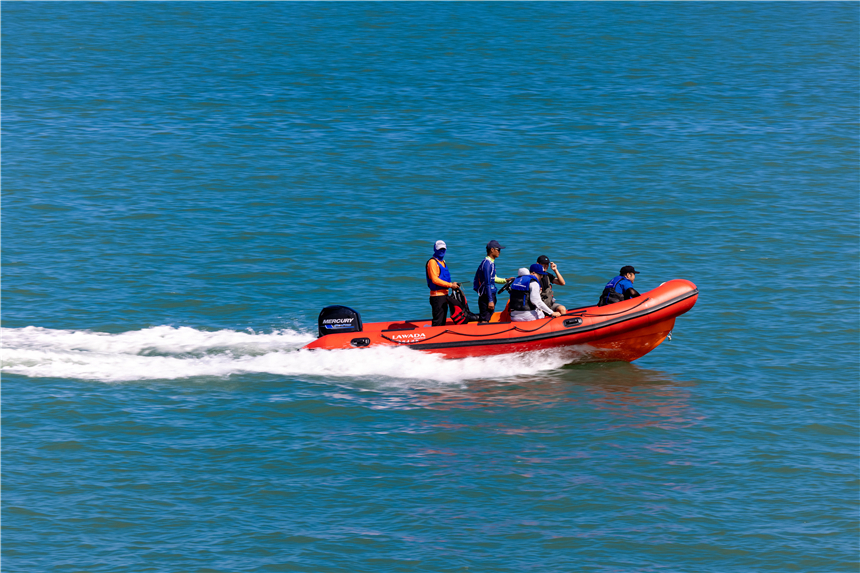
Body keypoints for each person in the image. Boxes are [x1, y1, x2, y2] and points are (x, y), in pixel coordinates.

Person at [473, 240, 511, 322]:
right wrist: (490, 300)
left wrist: (505, 280)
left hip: (489, 294)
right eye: (498, 249)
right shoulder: (487, 264)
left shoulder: (491, 263)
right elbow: (487, 283)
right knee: (485, 319)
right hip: (486, 296)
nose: (499, 252)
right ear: (492, 250)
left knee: (487, 317)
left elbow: (493, 278)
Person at [426, 240, 460, 326]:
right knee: (438, 322)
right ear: (435, 249)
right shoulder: (432, 262)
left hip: (444, 295)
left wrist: (453, 284)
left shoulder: (443, 262)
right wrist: (450, 285)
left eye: (443, 249)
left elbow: (444, 279)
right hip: (437, 296)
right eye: (439, 249)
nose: (442, 251)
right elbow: (435, 280)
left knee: (442, 321)